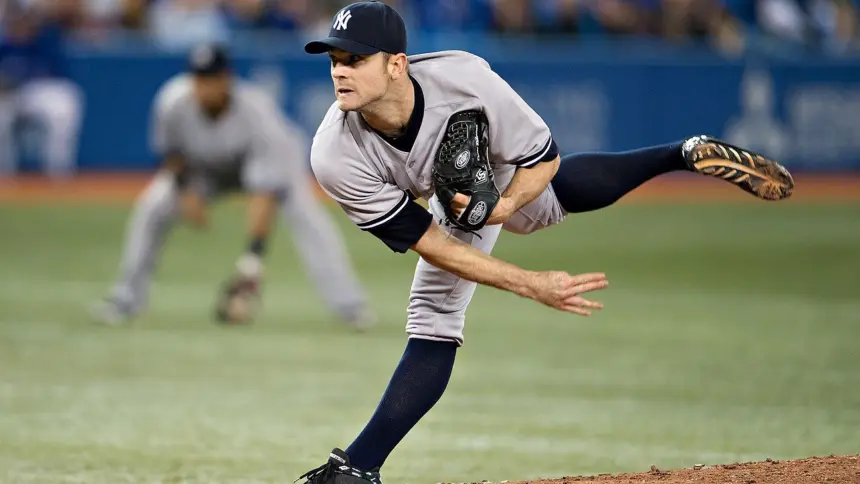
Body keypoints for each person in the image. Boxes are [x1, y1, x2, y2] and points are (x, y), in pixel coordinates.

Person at [297, 2, 794, 482]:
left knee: (437, 314)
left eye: (356, 59)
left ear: (396, 64)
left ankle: (357, 469)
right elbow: (434, 243)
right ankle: (682, 153)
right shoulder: (334, 155)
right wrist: (527, 281)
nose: (340, 71)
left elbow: (544, 159)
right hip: (447, 194)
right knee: (545, 211)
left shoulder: (466, 80)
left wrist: (504, 206)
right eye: (336, 60)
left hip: (489, 160)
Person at [92, 43, 374, 329]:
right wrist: (186, 191)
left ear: (226, 78)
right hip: (205, 172)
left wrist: (252, 259)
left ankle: (350, 306)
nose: (204, 86)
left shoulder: (256, 112)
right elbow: (171, 152)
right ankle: (126, 299)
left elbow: (263, 192)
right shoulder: (172, 101)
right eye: (199, 78)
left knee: (310, 221)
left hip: (272, 166)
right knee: (153, 207)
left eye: (212, 78)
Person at [0, 2, 83, 178]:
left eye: (25, 19)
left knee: (64, 106)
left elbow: (57, 75)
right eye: (16, 19)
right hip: (9, 96)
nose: (21, 24)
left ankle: (58, 174)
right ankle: (4, 176)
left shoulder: (45, 41)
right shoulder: (4, 45)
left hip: (41, 92)